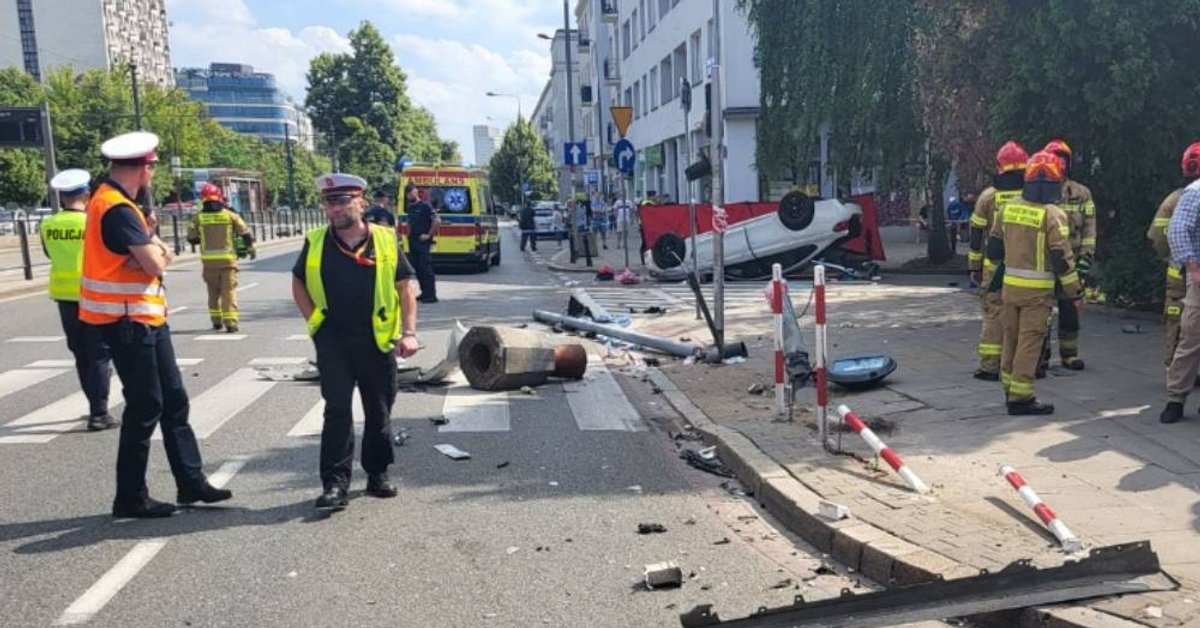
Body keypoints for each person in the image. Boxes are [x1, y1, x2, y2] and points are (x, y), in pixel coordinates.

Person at [80, 131, 232, 518]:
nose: (152, 174)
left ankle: (191, 482)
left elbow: (148, 255)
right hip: (127, 320)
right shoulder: (115, 208)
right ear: (143, 167)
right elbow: (156, 262)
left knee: (174, 399)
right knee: (146, 406)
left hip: (145, 317)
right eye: (151, 166)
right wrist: (156, 250)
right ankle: (130, 496)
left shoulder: (122, 204)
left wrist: (150, 250)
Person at [291, 172, 420, 511]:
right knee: (336, 412)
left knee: (378, 411)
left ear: (361, 202)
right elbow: (298, 282)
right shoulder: (316, 240)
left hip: (375, 341)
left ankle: (377, 474)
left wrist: (409, 332)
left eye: (343, 201)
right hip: (333, 341)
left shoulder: (386, 240)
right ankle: (335, 484)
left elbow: (405, 288)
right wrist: (314, 323)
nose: (335, 209)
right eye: (330, 203)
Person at [986, 150, 1082, 415]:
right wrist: (1076, 292)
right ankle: (1022, 398)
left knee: (1011, 339)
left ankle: (1009, 389)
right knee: (1030, 342)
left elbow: (993, 251)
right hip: (1037, 294)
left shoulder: (1007, 208)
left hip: (1010, 290)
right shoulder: (1053, 215)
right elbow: (1062, 258)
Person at [40, 168, 117, 431]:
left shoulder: (48, 224)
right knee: (100, 354)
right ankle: (99, 412)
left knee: (81, 354)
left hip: (64, 296)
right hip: (93, 293)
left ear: (61, 198)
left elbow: (50, 255)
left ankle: (94, 404)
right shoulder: (92, 222)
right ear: (87, 194)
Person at [969, 141, 1027, 381]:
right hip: (1027, 268)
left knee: (994, 313)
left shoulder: (989, 197)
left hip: (996, 269)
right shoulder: (1031, 195)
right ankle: (1024, 365)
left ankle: (990, 366)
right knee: (1026, 316)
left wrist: (974, 267)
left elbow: (976, 233)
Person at [1148, 142, 1200, 370]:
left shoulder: (1173, 199)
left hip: (1177, 273)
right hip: (1189, 272)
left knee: (1177, 322)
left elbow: (1156, 236)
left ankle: (1175, 369)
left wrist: (1171, 257)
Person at [1043, 139, 1094, 370]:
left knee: (1070, 308)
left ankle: (1069, 354)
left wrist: (1086, 259)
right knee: (1041, 311)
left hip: (1071, 262)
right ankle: (1040, 355)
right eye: (1055, 160)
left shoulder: (1081, 193)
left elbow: (1089, 229)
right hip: (1043, 262)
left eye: (1062, 161)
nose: (1059, 165)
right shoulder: (1039, 192)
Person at [186, 183, 253, 333]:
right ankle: (231, 323)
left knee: (213, 293)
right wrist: (250, 247)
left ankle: (216, 322)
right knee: (228, 292)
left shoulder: (198, 218)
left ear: (203, 198)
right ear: (219, 197)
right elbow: (245, 233)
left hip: (209, 264)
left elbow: (191, 238)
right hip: (228, 263)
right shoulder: (229, 215)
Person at [1161, 170, 1200, 422]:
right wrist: (1193, 267)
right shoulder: (1196, 192)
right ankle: (1176, 399)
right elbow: (1176, 230)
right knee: (1191, 338)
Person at [404, 183, 438, 304]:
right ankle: (424, 292)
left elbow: (437, 221)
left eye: (412, 192)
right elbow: (409, 222)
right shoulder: (411, 207)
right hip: (413, 241)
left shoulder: (425, 206)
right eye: (408, 194)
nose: (410, 195)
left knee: (425, 268)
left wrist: (429, 235)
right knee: (418, 268)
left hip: (422, 242)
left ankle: (431, 295)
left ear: (416, 192)